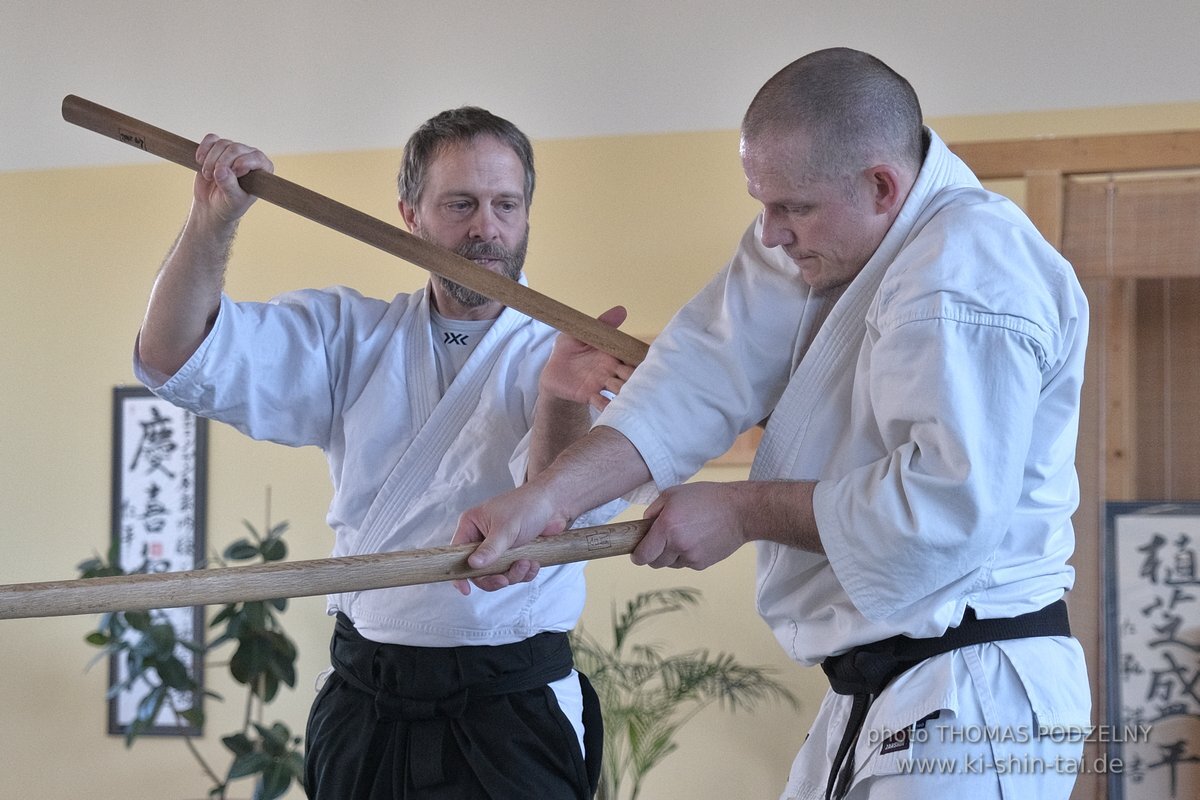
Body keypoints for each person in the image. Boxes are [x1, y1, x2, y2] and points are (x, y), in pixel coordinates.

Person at [454, 48, 1092, 800]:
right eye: (763, 202)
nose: (770, 233)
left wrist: (742, 509)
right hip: (884, 688)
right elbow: (694, 379)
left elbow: (942, 510)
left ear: (882, 186)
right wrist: (548, 498)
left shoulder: (968, 270)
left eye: (791, 207)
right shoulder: (818, 239)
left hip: (976, 686)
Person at [134, 106, 633, 799]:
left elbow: (559, 519)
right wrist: (212, 219)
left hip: (511, 708)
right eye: (460, 203)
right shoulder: (350, 335)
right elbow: (173, 353)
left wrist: (561, 396)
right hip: (368, 697)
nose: (485, 228)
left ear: (525, 217)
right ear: (410, 214)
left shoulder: (568, 353)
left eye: (505, 205)